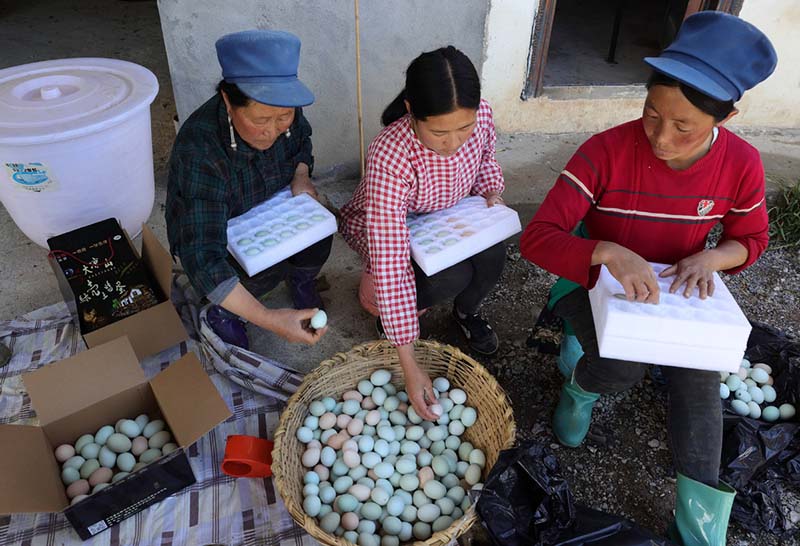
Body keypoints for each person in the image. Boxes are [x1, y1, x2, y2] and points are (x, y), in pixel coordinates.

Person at [521, 12, 777, 546]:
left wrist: (712, 259)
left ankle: (698, 527)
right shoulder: (606, 151)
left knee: (701, 384)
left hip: (674, 298)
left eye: (683, 126)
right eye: (651, 113)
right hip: (589, 285)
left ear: (724, 117)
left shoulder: (742, 165)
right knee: (621, 368)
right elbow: (539, 237)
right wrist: (608, 251)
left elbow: (750, 240)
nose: (661, 137)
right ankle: (581, 385)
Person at [340, 46, 507, 421]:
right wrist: (408, 360)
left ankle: (466, 313)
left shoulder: (481, 116)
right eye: (439, 133)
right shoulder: (390, 153)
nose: (454, 142)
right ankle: (391, 318)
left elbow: (485, 157)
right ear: (412, 112)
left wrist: (491, 190)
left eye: (464, 128)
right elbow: (390, 254)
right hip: (396, 228)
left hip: (445, 216)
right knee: (453, 273)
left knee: (494, 254)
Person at [166, 30, 330, 350]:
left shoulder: (286, 110)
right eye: (261, 119)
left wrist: (301, 175)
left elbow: (301, 143)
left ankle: (301, 279)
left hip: (269, 202)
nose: (273, 129)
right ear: (229, 100)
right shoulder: (199, 149)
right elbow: (203, 255)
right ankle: (227, 312)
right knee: (246, 271)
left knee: (318, 222)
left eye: (283, 117)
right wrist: (269, 319)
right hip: (220, 225)